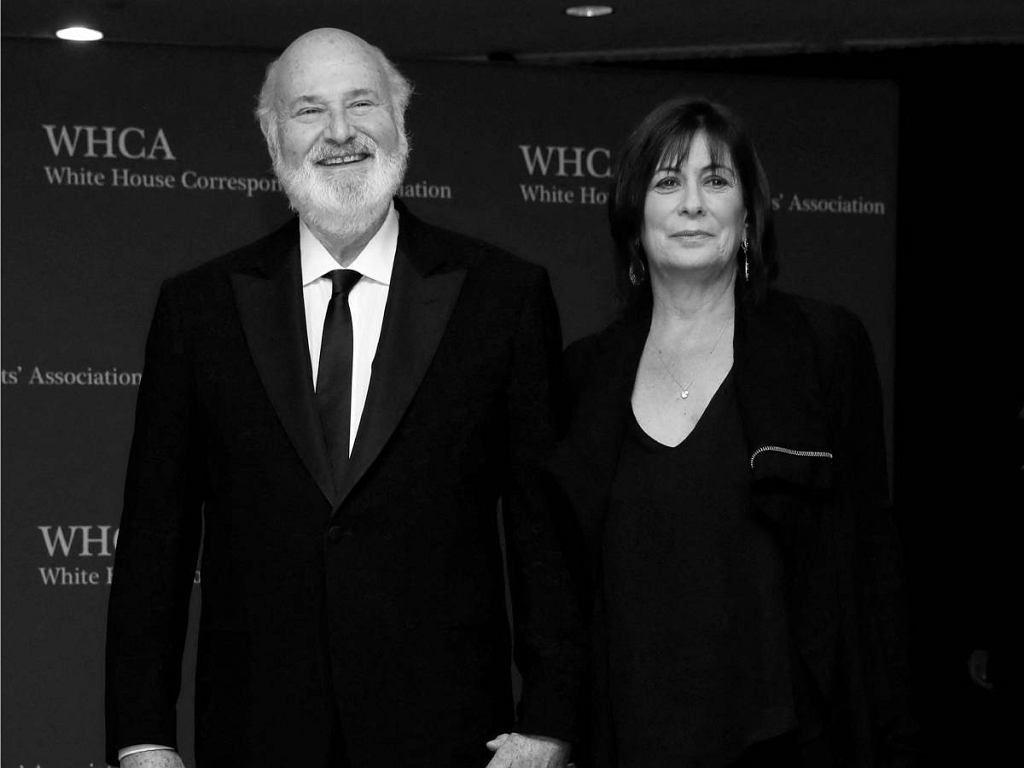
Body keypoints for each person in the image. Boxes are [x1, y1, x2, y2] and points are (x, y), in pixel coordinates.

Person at [105, 28, 584, 768]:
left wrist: (550, 722)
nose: (339, 132)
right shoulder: (198, 310)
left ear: (400, 119)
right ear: (273, 138)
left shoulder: (502, 298)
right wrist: (142, 739)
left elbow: (543, 532)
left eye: (362, 103)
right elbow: (154, 541)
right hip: (256, 736)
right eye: (308, 110)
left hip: (451, 738)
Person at [546, 98, 916, 767]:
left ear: (748, 217)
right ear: (634, 218)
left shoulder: (822, 347)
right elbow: (566, 587)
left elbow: (871, 565)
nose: (692, 203)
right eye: (667, 182)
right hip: (632, 742)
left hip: (790, 744)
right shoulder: (586, 376)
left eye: (715, 180)